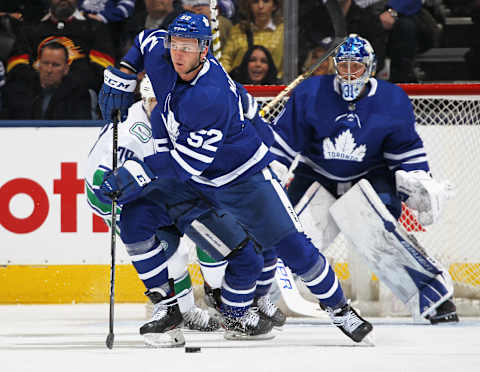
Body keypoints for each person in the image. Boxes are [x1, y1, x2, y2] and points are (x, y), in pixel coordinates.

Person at [98, 12, 373, 343]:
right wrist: (126, 71)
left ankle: (339, 309)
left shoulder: (208, 97)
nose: (178, 53)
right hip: (195, 180)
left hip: (240, 179)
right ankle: (167, 306)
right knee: (134, 218)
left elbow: (186, 164)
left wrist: (137, 172)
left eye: (188, 46)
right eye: (175, 43)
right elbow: (144, 39)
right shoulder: (162, 54)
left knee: (292, 248)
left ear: (205, 50)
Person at [270, 34, 459, 324]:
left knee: (380, 232)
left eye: (355, 68)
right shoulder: (310, 93)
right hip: (316, 174)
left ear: (369, 69)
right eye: (342, 66)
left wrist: (418, 181)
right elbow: (283, 142)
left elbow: (405, 151)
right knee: (286, 235)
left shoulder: (392, 99)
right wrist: (270, 172)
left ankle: (434, 298)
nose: (347, 74)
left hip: (370, 177)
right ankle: (256, 300)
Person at [89, 75, 286, 344]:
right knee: (172, 255)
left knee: (216, 239)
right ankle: (173, 313)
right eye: (154, 102)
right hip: (125, 200)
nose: (161, 107)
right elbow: (102, 182)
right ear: (144, 101)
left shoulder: (184, 119)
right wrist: (118, 188)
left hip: (173, 196)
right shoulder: (130, 131)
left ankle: (220, 302)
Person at [4, 0, 115, 118]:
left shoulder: (94, 27)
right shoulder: (31, 27)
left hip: (78, 92)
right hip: (35, 89)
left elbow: (102, 69)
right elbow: (16, 64)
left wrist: (65, 81)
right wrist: (40, 79)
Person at [3, 41, 97, 119]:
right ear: (38, 65)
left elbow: (80, 130)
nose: (49, 70)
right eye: (45, 63)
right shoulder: (19, 91)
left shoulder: (78, 94)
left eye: (55, 65)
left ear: (66, 69)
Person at [220, 0, 284, 79]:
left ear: (275, 5)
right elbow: (225, 60)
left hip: (275, 88)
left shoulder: (283, 32)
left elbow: (289, 66)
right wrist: (232, 80)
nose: (260, 6)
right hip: (240, 87)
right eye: (255, 2)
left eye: (266, 1)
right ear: (249, 5)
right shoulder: (238, 30)